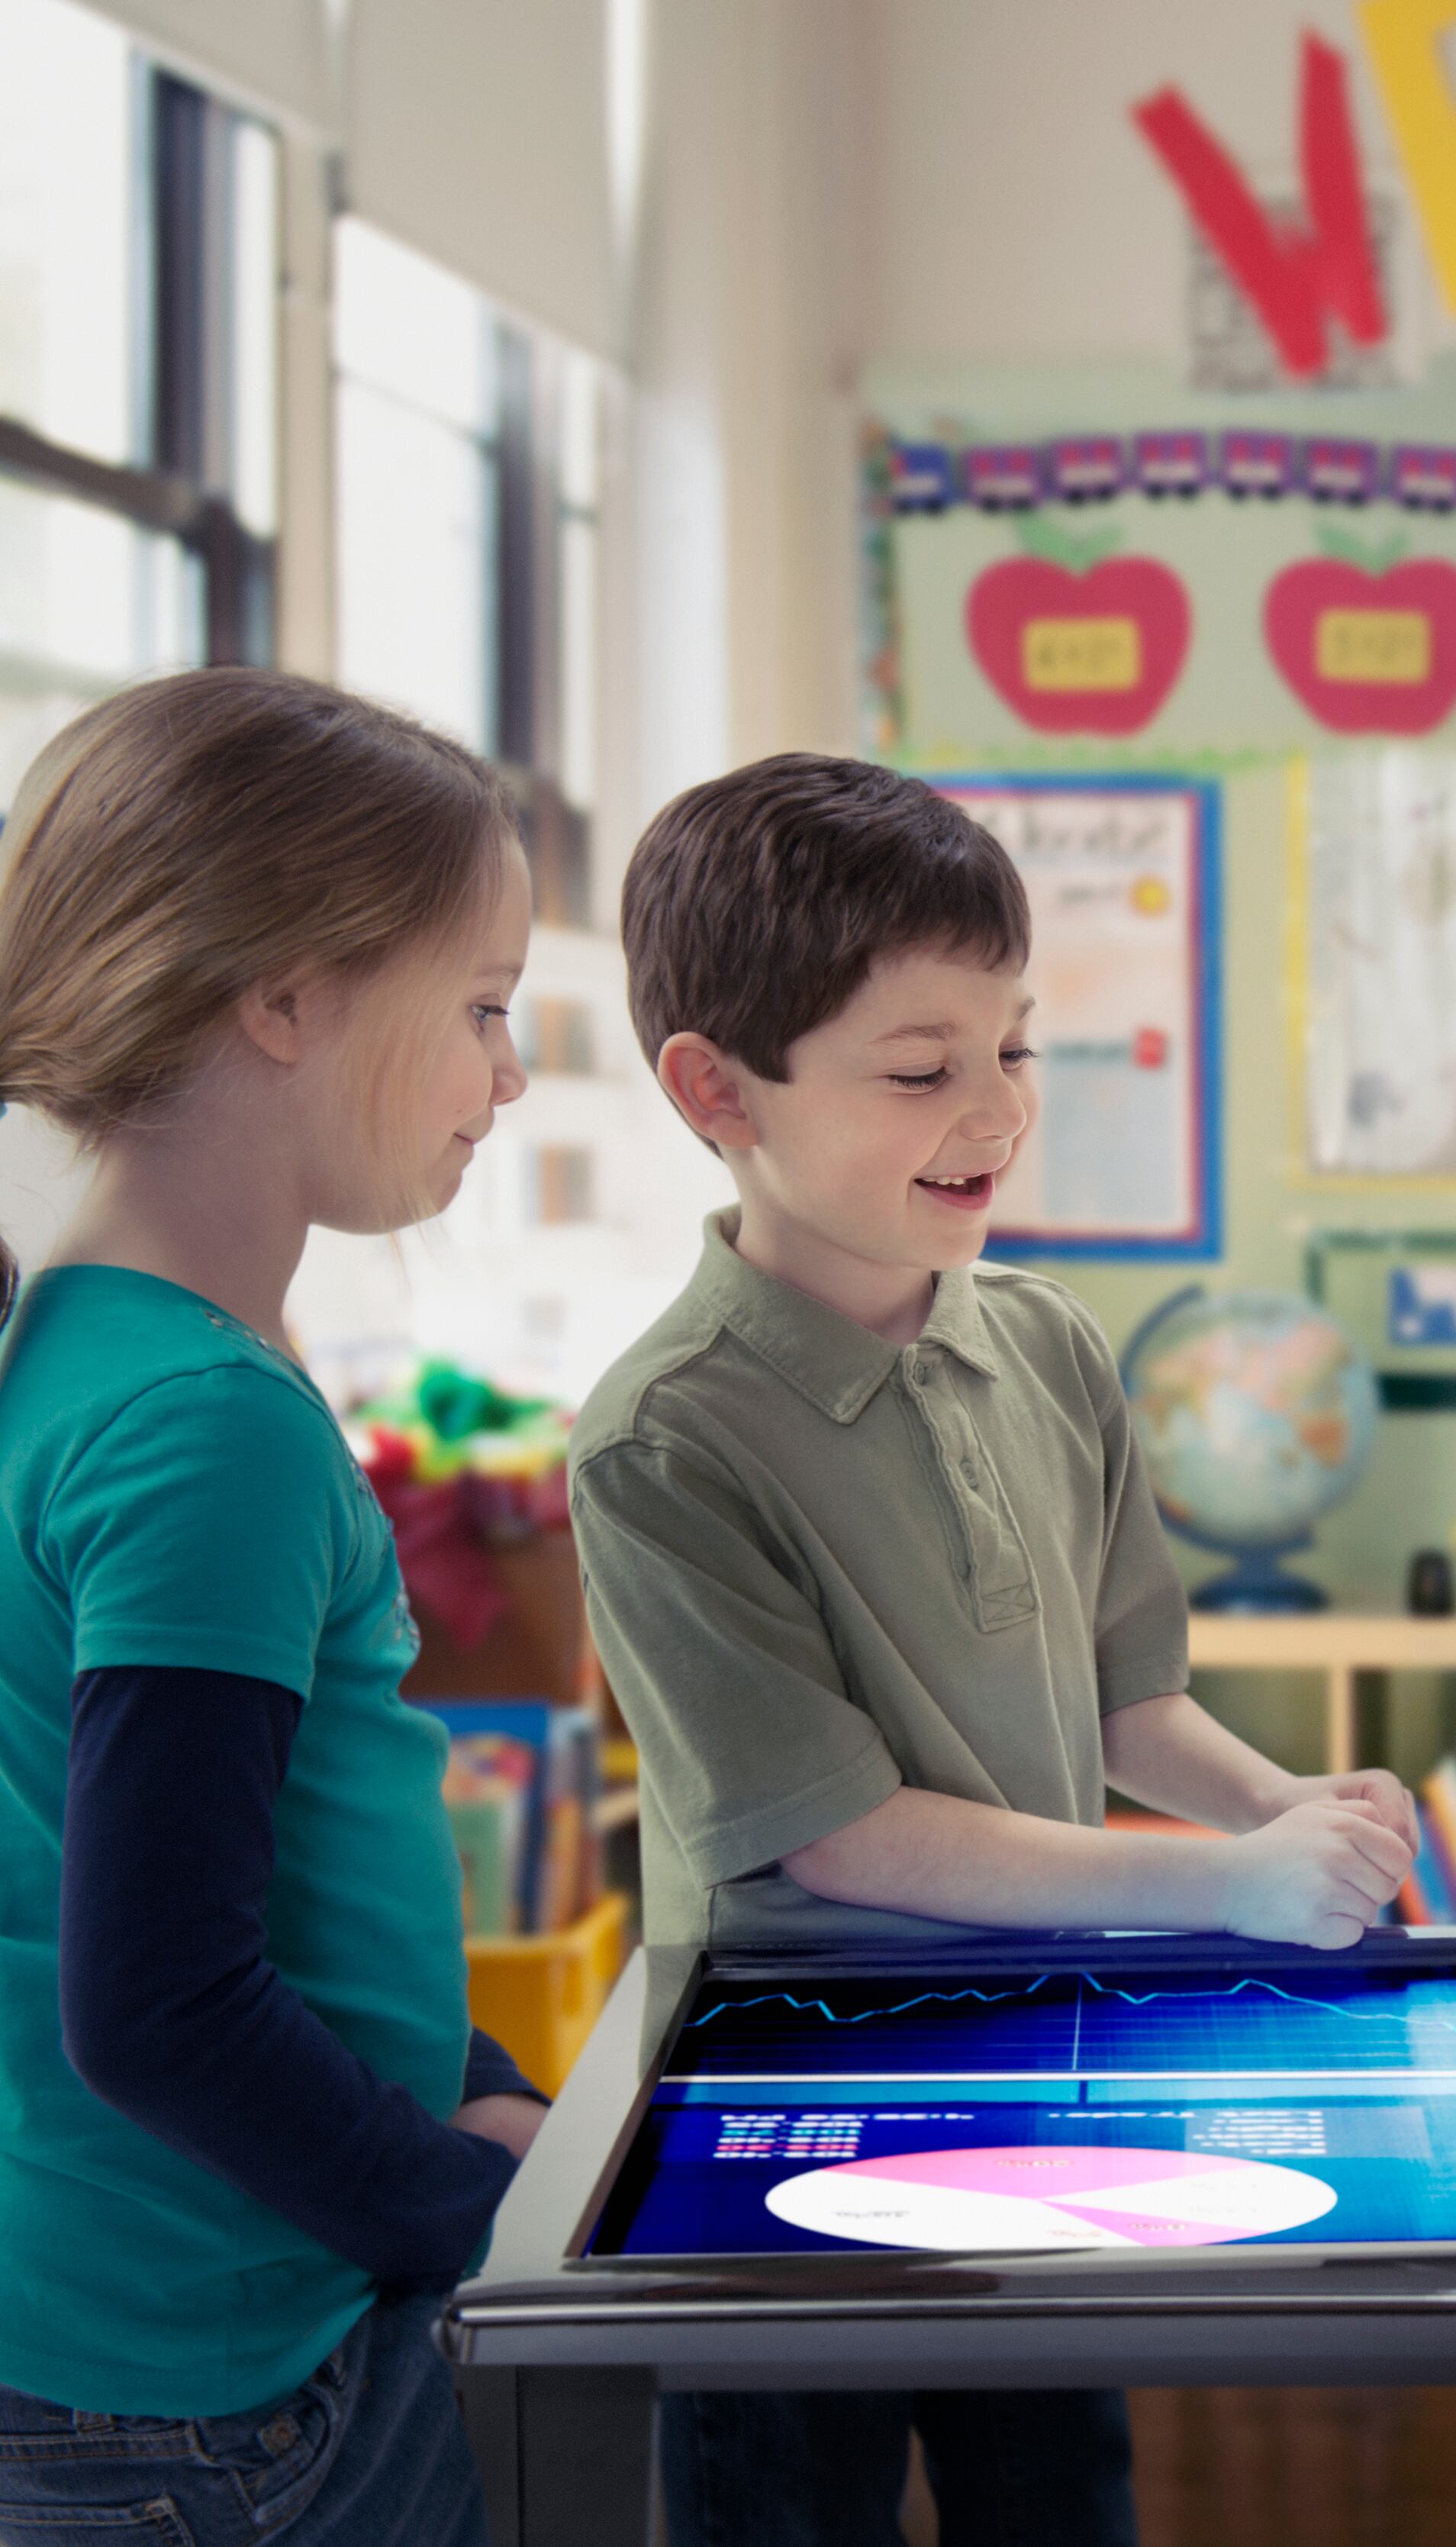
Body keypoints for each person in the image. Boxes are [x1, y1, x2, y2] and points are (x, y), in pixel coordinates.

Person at [572, 754, 1417, 2547]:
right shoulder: (662, 1441)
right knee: (786, 2511)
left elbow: (1134, 1699)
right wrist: (1224, 1887)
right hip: (786, 2098)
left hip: (1047, 2061)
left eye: (1016, 1046)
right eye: (921, 1069)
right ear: (716, 1089)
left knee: (1059, 2495)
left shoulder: (1047, 1345)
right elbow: (840, 1835)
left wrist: (1289, 1806)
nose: (994, 1108)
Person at [0, 669, 549, 2545]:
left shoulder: (87, 1344)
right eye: (479, 1005)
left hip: (129, 2325)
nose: (514, 1069)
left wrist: (463, 2087)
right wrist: (465, 2201)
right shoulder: (202, 1426)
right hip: (221, 2371)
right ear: (287, 994)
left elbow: (231, 1880)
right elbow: (155, 1999)